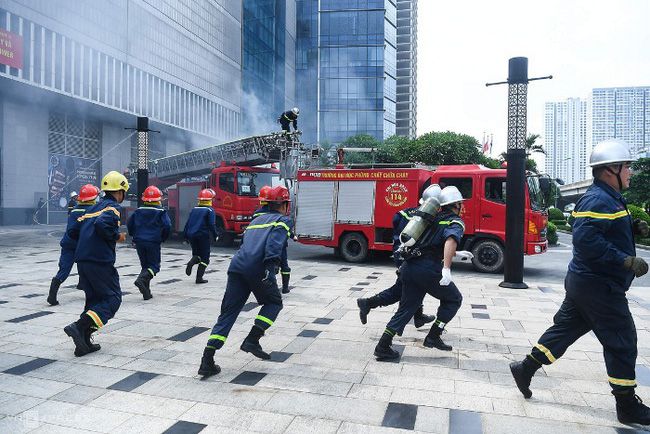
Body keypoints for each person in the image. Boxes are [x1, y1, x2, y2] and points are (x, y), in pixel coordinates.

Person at [509, 139, 650, 425]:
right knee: (622, 341)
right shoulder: (600, 198)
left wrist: (630, 227)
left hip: (586, 284)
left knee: (563, 332)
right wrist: (624, 261)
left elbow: (600, 230)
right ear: (611, 169)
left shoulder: (608, 196)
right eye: (627, 167)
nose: (631, 173)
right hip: (599, 287)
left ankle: (524, 368)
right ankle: (627, 406)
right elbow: (586, 240)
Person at [198, 185, 293, 377]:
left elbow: (244, 245)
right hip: (258, 268)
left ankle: (207, 358)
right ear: (282, 205)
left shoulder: (255, 220)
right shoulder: (283, 221)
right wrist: (271, 268)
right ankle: (252, 339)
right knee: (274, 303)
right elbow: (275, 245)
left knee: (228, 313)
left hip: (237, 268)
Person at [374, 186, 466, 360]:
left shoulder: (431, 218)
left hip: (410, 267)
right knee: (454, 299)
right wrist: (446, 268)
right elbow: (450, 240)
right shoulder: (455, 222)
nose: (463, 207)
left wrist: (456, 254)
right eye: (461, 204)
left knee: (407, 307)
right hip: (428, 270)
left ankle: (383, 346)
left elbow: (431, 243)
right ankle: (433, 336)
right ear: (455, 205)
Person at [63, 171, 129, 357]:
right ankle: (79, 326)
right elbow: (103, 225)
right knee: (112, 299)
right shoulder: (113, 208)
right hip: (100, 261)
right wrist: (117, 236)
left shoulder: (91, 208)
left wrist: (87, 241)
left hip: (83, 260)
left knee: (94, 301)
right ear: (120, 191)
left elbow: (73, 231)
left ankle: (82, 343)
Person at [356, 185, 442, 327]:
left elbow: (396, 230)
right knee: (401, 290)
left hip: (401, 254)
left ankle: (418, 316)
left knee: (411, 286)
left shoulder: (405, 213)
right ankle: (368, 304)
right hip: (413, 258)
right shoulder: (427, 218)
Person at [47, 184, 100, 306]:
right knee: (87, 267)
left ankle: (53, 293)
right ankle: (88, 290)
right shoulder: (92, 211)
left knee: (64, 269)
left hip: (68, 243)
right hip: (83, 245)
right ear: (93, 198)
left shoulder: (74, 210)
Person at [127, 185, 172, 300]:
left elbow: (130, 224)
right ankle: (141, 280)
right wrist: (163, 237)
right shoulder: (161, 211)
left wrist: (134, 236)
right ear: (158, 200)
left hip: (139, 242)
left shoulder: (138, 211)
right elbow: (167, 226)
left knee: (145, 266)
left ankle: (146, 293)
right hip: (153, 242)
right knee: (154, 266)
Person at [252, 185, 294, 294]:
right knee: (284, 265)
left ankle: (269, 286)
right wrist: (292, 235)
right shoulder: (277, 214)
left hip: (264, 243)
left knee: (269, 266)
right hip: (281, 243)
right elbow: (283, 228)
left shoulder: (257, 213)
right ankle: (285, 288)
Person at [184, 188, 219, 284]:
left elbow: (187, 224)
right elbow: (212, 224)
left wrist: (185, 236)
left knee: (197, 254)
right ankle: (199, 278)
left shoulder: (194, 209)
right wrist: (215, 235)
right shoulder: (210, 210)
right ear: (210, 200)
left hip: (191, 235)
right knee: (205, 258)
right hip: (202, 236)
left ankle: (191, 262)